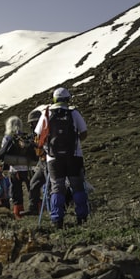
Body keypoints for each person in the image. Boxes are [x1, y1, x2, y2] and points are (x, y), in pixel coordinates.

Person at [34, 87, 89, 229]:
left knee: (57, 188)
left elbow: (38, 135)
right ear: (68, 99)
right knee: (77, 186)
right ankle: (82, 217)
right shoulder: (73, 113)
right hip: (74, 156)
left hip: (53, 158)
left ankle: (57, 220)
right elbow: (84, 132)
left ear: (54, 99)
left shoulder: (46, 114)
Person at [0, 115, 30, 219]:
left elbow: (3, 153)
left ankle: (18, 214)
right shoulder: (25, 136)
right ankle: (36, 210)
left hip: (14, 170)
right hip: (27, 168)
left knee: (16, 193)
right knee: (32, 190)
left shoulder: (7, 138)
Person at [26, 107, 47, 215]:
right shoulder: (35, 134)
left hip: (48, 162)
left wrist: (32, 144)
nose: (30, 125)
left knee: (51, 186)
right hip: (42, 163)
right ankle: (33, 209)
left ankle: (53, 209)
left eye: (32, 123)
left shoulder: (45, 131)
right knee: (33, 183)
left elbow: (42, 146)